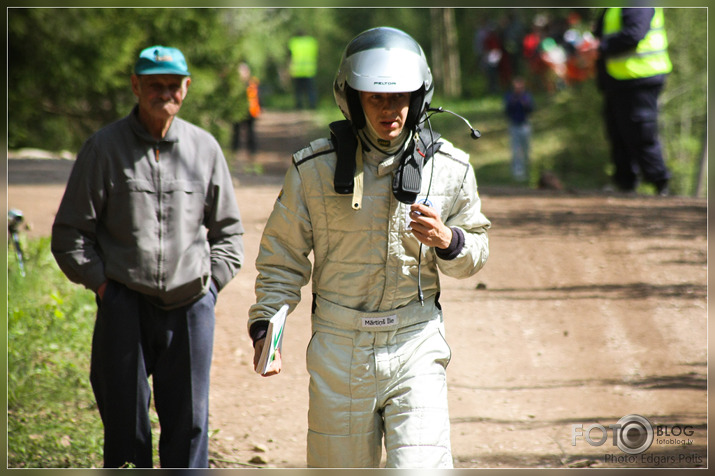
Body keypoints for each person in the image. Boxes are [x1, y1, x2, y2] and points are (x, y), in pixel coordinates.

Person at [248, 27, 490, 468]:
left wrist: (447, 241)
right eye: (375, 97)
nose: (389, 109)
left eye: (399, 97)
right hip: (340, 351)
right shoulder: (313, 171)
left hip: (415, 343)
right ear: (352, 97)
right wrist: (267, 328)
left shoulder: (450, 168)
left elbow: (476, 249)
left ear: (417, 98)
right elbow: (281, 259)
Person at [51, 45, 244, 468]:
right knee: (124, 428)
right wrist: (104, 286)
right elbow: (69, 234)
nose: (164, 93)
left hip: (191, 306)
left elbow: (228, 232)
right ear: (136, 86)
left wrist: (210, 288)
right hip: (124, 304)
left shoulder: (205, 149)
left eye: (173, 85)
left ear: (186, 88)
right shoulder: (103, 148)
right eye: (154, 84)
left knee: (190, 426)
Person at [594, 7, 672, 196]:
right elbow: (600, 32)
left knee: (641, 131)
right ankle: (625, 183)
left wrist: (600, 47)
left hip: (641, 76)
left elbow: (634, 34)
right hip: (617, 78)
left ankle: (659, 183)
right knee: (617, 131)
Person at [231, 62, 262, 172]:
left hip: (250, 113)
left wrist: (259, 109)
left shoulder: (252, 83)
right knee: (236, 135)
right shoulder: (235, 85)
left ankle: (252, 159)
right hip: (238, 113)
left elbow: (258, 97)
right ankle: (234, 159)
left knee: (251, 135)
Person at [504, 76, 534, 182]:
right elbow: (507, 110)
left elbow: (531, 109)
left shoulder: (526, 96)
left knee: (526, 149)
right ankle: (518, 173)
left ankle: (529, 169)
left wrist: (523, 103)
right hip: (514, 125)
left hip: (525, 125)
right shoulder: (510, 96)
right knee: (516, 150)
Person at [288, 31, 319, 109]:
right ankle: (312, 106)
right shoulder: (312, 42)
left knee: (298, 91)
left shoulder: (294, 42)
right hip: (309, 71)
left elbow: (289, 56)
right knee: (310, 90)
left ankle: (299, 106)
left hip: (297, 71)